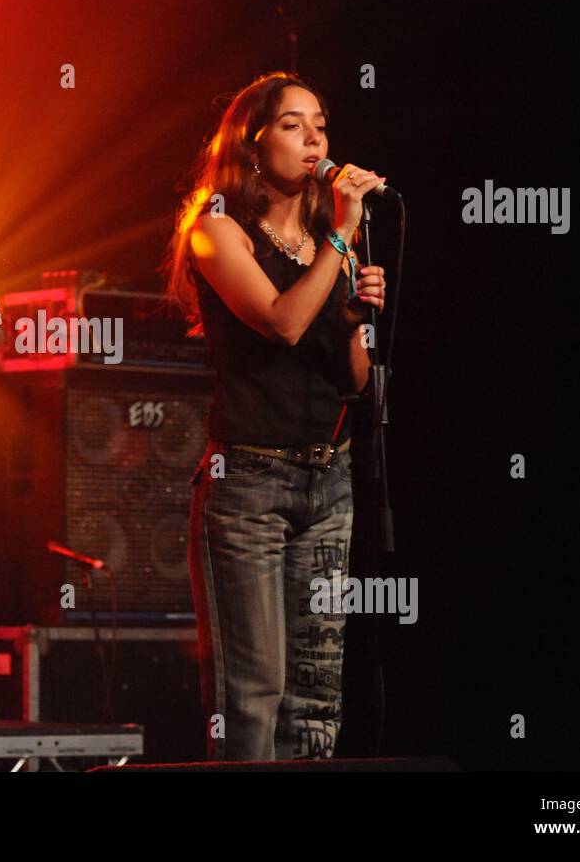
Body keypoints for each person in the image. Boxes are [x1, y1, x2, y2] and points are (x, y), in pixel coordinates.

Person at [163, 71, 387, 761]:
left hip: (330, 481)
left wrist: (357, 316)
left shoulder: (328, 241)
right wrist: (342, 245)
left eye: (320, 122)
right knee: (253, 692)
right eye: (293, 124)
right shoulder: (217, 230)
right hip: (250, 486)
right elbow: (282, 324)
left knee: (315, 696)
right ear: (252, 145)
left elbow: (354, 378)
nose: (315, 136)